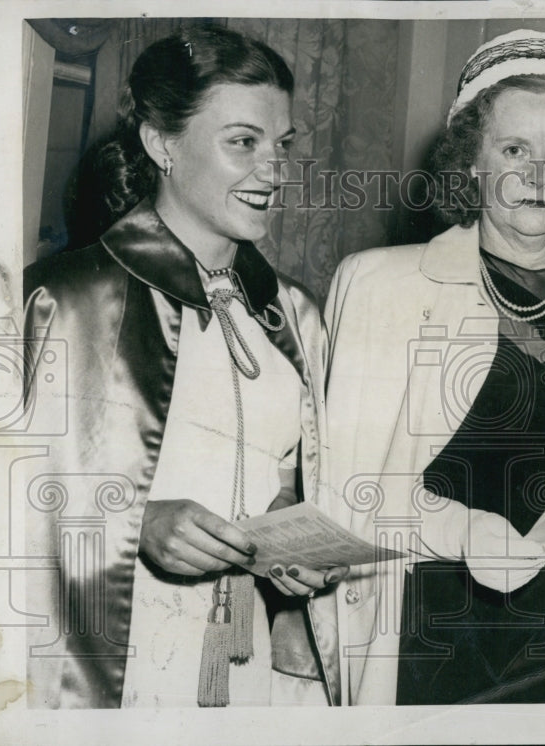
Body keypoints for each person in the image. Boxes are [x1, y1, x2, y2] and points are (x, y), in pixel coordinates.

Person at [279, 29, 545, 706]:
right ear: (471, 163)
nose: (539, 177)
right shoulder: (381, 287)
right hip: (430, 621)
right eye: (515, 150)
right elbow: (344, 486)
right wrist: (465, 531)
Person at [23, 25, 341, 708]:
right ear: (162, 143)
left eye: (281, 145)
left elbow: (295, 475)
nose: (273, 170)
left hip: (252, 665)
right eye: (242, 142)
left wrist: (293, 533)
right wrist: (143, 522)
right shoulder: (65, 298)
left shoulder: (297, 314)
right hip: (115, 658)